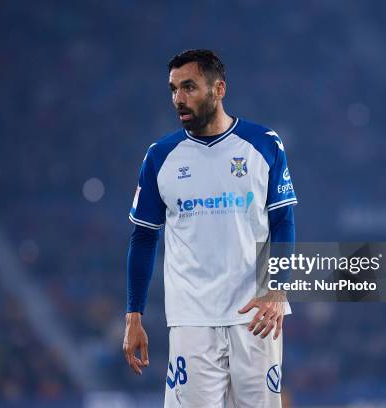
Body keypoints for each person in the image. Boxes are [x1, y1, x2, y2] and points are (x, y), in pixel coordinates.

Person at [123, 49, 297, 407]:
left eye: (189, 87)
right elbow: (143, 236)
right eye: (173, 89)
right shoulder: (160, 156)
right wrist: (133, 314)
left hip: (257, 315)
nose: (178, 99)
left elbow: (283, 221)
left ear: (219, 89)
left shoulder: (263, 144)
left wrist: (278, 291)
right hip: (192, 320)